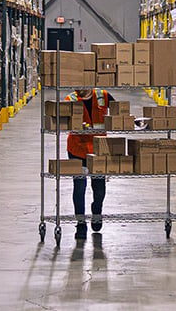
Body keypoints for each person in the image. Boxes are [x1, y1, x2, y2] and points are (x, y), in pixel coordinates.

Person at [65, 88, 111, 240]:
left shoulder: (103, 95)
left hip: (98, 149)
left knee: (99, 188)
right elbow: (62, 120)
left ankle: (96, 209)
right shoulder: (70, 99)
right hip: (77, 149)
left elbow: (119, 111)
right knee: (79, 187)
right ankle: (80, 224)